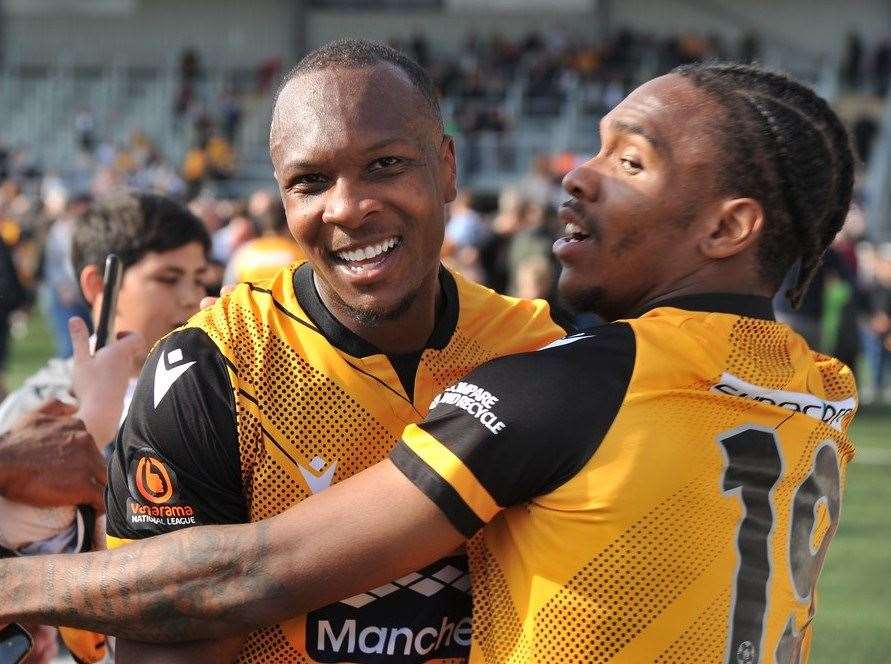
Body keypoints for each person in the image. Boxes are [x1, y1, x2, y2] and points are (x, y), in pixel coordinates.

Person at [0, 62, 856, 663]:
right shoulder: (818, 389)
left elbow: (252, 572)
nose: (576, 177)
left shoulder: (564, 377)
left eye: (629, 160)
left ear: (727, 228)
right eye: (308, 181)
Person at [106, 40, 564, 664]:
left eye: (385, 165)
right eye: (311, 181)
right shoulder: (211, 368)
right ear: (283, 198)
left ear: (448, 167)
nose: (346, 207)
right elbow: (165, 645)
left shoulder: (538, 350)